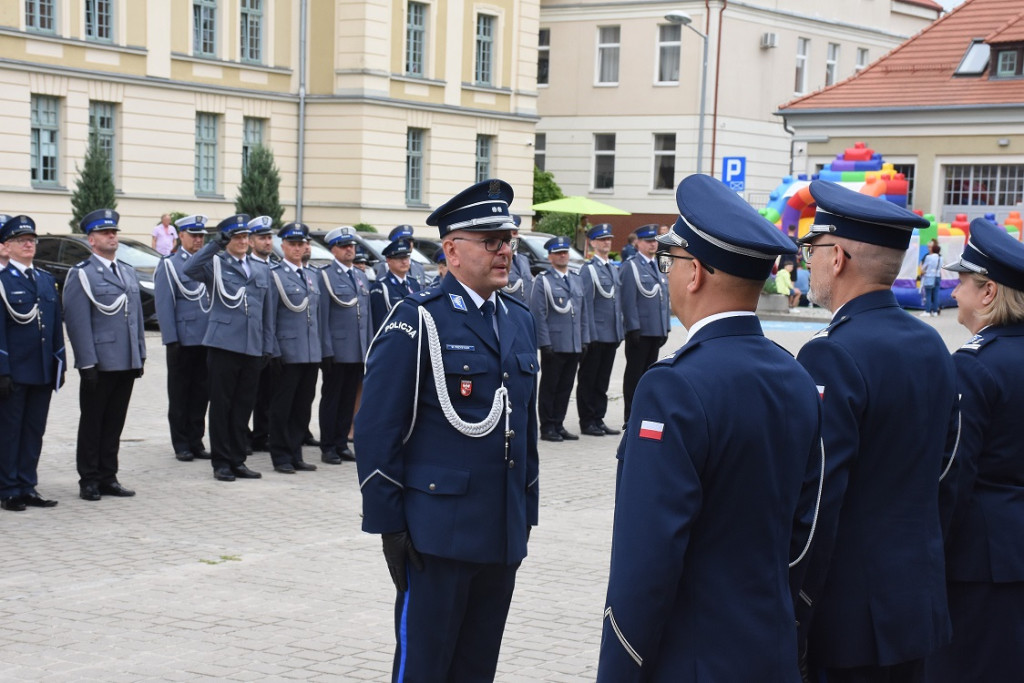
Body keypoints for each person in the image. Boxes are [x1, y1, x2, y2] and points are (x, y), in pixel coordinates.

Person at [598, 174, 823, 681]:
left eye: (671, 262)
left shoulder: (673, 387)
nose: (669, 275)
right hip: (768, 646)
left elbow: (647, 556)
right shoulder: (796, 376)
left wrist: (620, 666)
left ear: (694, 273)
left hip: (690, 657)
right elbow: (805, 531)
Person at [354, 179, 539, 682]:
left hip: (501, 528)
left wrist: (527, 511)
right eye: (492, 241)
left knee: (477, 667)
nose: (505, 252)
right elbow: (376, 429)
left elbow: (525, 424)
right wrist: (389, 523)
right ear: (452, 250)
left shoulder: (518, 319)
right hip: (435, 533)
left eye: (509, 241)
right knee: (426, 668)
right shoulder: (418, 320)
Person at [794, 180, 958, 682]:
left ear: (838, 257)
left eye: (813, 249)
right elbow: (948, 469)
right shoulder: (930, 342)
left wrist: (795, 600)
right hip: (916, 599)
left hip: (847, 614)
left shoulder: (831, 353)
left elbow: (819, 498)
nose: (809, 261)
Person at [925, 218, 1024, 682]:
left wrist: (930, 551)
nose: (955, 291)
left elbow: (953, 475)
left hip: (978, 559)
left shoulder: (975, 367)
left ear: (988, 293)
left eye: (962, 281)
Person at [63, 209, 145, 501]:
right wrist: (87, 362)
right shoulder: (82, 274)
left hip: (125, 359)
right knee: (93, 421)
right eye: (105, 232)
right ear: (91, 239)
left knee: (115, 422)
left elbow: (134, 317)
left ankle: (109, 475)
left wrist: (140, 354)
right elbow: (77, 322)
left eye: (114, 232)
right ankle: (89, 479)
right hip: (99, 360)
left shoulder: (126, 271)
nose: (112, 236)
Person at [185, 214, 274, 483]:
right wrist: (214, 245)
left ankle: (238, 459)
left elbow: (267, 312)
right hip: (223, 344)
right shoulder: (216, 263)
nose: (243, 242)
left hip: (251, 346)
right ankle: (221, 462)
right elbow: (188, 270)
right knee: (222, 406)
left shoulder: (260, 269)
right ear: (227, 240)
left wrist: (267, 345)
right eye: (237, 237)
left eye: (246, 237)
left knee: (243, 406)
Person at [0, 215, 65, 511]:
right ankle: (8, 488)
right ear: (6, 247)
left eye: (31, 240)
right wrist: (3, 370)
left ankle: (28, 485)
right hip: (15, 370)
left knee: (34, 430)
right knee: (10, 431)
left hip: (41, 368)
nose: (28, 244)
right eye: (20, 240)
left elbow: (54, 326)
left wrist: (59, 362)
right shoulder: (3, 282)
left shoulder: (44, 280)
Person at [264, 222, 327, 474]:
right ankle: (280, 455)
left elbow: (317, 316)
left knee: (302, 405)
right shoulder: (275, 275)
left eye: (302, 243)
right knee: (282, 406)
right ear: (283, 245)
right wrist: (273, 349)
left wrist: (322, 349)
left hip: (310, 351)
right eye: (293, 244)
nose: (299, 248)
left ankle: (296, 452)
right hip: (287, 353)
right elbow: (269, 316)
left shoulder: (312, 275)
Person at [153, 214, 212, 462]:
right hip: (183, 339)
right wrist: (171, 339)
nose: (198, 240)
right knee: (180, 394)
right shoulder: (169, 265)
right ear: (181, 236)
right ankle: (181, 443)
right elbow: (164, 304)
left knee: (201, 392)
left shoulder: (208, 264)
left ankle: (196, 440)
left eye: (201, 236)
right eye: (194, 235)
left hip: (206, 338)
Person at [318, 226, 372, 464]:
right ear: (333, 250)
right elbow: (323, 316)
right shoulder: (326, 276)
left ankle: (341, 442)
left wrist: (368, 346)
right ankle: (328, 445)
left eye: (352, 246)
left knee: (349, 398)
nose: (350, 250)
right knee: (332, 399)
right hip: (337, 350)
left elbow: (366, 316)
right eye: (344, 246)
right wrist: (326, 349)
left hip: (357, 349)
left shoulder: (360, 276)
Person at [530, 236, 590, 442]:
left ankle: (559, 423)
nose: (563, 256)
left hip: (573, 343)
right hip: (554, 345)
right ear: (550, 256)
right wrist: (544, 343)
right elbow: (539, 314)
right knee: (550, 387)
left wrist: (584, 339)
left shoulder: (575, 279)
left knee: (565, 387)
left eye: (565, 252)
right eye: (558, 253)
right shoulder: (544, 280)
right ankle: (547, 427)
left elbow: (582, 313)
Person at [619, 223, 670, 425]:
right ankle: (630, 416)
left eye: (654, 241)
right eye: (648, 242)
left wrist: (665, 326)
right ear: (638, 243)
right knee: (634, 375)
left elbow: (663, 299)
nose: (652, 245)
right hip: (640, 331)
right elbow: (628, 299)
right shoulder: (631, 266)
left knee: (649, 375)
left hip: (655, 329)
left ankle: (643, 413)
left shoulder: (658, 265)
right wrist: (633, 327)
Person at [576, 223, 623, 437]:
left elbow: (616, 302)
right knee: (589, 379)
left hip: (610, 333)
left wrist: (618, 330)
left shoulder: (612, 268)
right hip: (595, 335)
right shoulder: (589, 270)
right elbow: (585, 303)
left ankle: (599, 418)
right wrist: (588, 335)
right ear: (593, 243)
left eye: (609, 239)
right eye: (602, 239)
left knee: (602, 380)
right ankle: (587, 421)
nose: (607, 242)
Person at [246, 216, 277, 453]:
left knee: (268, 393)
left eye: (269, 237)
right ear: (250, 241)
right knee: (248, 393)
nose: (267, 242)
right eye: (262, 238)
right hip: (251, 340)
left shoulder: (275, 267)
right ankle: (243, 435)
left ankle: (262, 434)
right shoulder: (246, 267)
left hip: (274, 341)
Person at [369, 240, 420, 332]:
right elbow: (379, 322)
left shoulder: (414, 284)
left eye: (406, 257)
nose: (404, 261)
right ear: (388, 260)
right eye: (399, 258)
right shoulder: (381, 287)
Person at [502, 214, 534, 304]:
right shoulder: (498, 259)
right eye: (508, 234)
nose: (512, 237)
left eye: (515, 233)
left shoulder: (524, 259)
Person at [920, 239, 942, 317]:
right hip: (938, 276)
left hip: (929, 276)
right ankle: (935, 311)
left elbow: (923, 267)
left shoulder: (928, 257)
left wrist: (923, 271)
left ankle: (927, 311)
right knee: (935, 294)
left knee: (928, 294)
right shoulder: (940, 257)